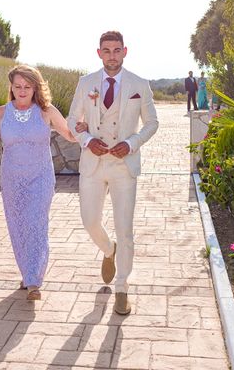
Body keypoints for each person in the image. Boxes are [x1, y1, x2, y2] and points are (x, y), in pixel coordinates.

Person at [0, 65, 86, 301]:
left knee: (36, 223)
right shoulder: (1, 113)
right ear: (11, 87)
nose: (22, 91)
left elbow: (70, 135)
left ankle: (34, 281)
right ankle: (27, 272)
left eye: (27, 86)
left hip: (41, 177)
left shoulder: (46, 111)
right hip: (12, 179)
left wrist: (82, 121)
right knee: (18, 227)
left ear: (35, 88)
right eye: (17, 87)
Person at [67, 30, 159, 315]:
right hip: (93, 164)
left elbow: (152, 123)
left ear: (125, 51)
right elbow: (72, 119)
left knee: (125, 228)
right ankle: (109, 250)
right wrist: (86, 140)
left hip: (123, 166)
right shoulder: (86, 83)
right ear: (99, 53)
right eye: (106, 51)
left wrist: (131, 144)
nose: (112, 56)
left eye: (116, 50)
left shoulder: (139, 85)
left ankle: (122, 287)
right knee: (90, 221)